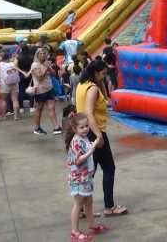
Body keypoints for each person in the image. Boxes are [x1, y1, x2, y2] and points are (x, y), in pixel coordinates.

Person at [76, 60, 127, 217]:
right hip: (95, 131)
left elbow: (105, 99)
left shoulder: (82, 85)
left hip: (84, 133)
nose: (105, 76)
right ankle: (109, 206)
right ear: (95, 73)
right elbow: (89, 113)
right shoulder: (92, 89)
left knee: (90, 170)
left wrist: (102, 82)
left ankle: (82, 208)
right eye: (103, 74)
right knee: (109, 168)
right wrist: (99, 135)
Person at [65, 112, 109, 241]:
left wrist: (92, 145)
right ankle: (75, 232)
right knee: (78, 204)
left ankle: (93, 225)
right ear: (75, 129)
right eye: (81, 127)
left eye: (86, 126)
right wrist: (91, 149)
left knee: (88, 201)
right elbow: (78, 160)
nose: (85, 129)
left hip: (86, 177)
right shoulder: (76, 141)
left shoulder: (83, 138)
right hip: (79, 178)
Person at [31, 47, 62, 135]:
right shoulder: (35, 65)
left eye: (44, 53)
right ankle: (37, 128)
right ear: (37, 55)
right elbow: (39, 77)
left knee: (52, 107)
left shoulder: (45, 63)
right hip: (40, 90)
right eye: (41, 53)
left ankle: (56, 127)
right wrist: (45, 67)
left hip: (49, 89)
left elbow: (54, 74)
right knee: (39, 109)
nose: (43, 55)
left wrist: (49, 67)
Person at [0, 51, 26, 121]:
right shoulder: (13, 63)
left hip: (5, 83)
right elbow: (16, 60)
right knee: (15, 99)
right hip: (14, 82)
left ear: (1, 57)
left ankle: (3, 116)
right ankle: (16, 116)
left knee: (3, 100)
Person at [17, 44, 35, 113]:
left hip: (21, 75)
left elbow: (15, 66)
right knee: (31, 91)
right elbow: (33, 66)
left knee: (21, 91)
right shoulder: (31, 57)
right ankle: (31, 107)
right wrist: (29, 72)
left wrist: (22, 72)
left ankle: (21, 108)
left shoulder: (19, 57)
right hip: (30, 75)